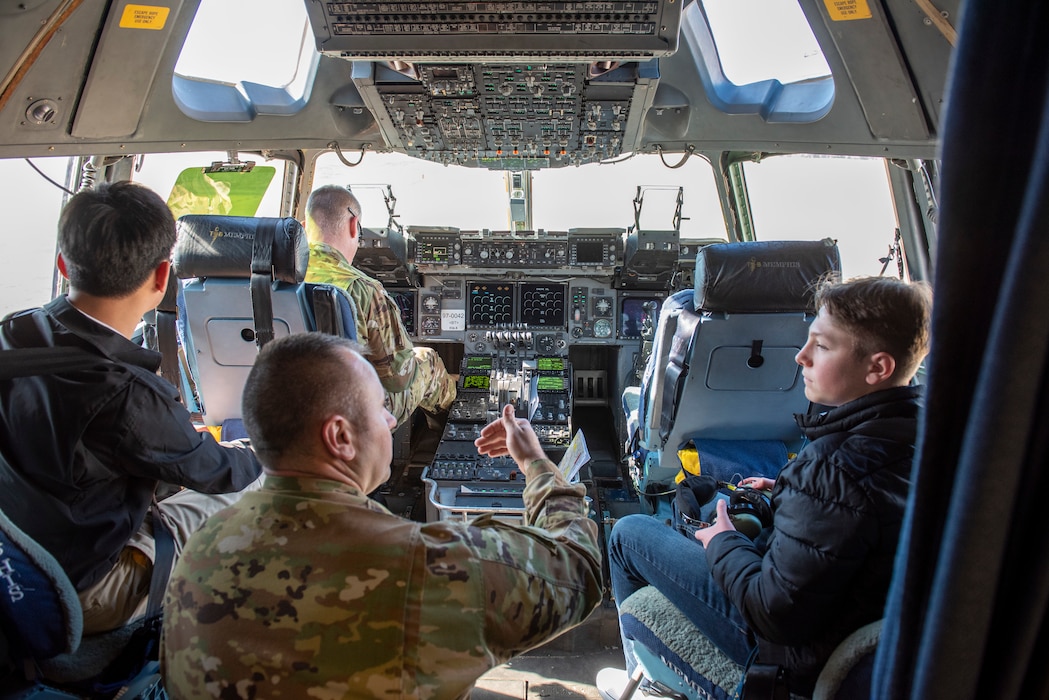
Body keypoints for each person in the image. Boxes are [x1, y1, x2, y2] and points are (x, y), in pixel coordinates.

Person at [161, 332, 603, 700]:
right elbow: (580, 572)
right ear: (339, 436)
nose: (392, 421)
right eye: (379, 408)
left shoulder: (199, 548)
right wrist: (534, 463)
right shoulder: (419, 564)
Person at [600, 275, 933, 698]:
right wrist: (789, 494)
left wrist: (722, 542)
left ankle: (650, 681)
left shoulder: (833, 468)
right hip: (849, 636)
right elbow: (860, 519)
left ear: (879, 367)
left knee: (629, 534)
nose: (800, 357)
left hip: (782, 657)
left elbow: (771, 612)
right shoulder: (926, 438)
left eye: (823, 346)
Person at [0, 181, 263, 635]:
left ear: (64, 265)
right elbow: (219, 472)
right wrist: (258, 449)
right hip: (83, 591)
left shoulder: (11, 335)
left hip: (16, 559)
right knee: (255, 484)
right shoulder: (127, 394)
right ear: (163, 279)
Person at [304, 184, 456, 427]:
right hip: (352, 413)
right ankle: (456, 425)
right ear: (354, 226)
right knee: (427, 360)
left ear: (304, 227)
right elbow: (399, 378)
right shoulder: (363, 288)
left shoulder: (273, 277)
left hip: (290, 401)